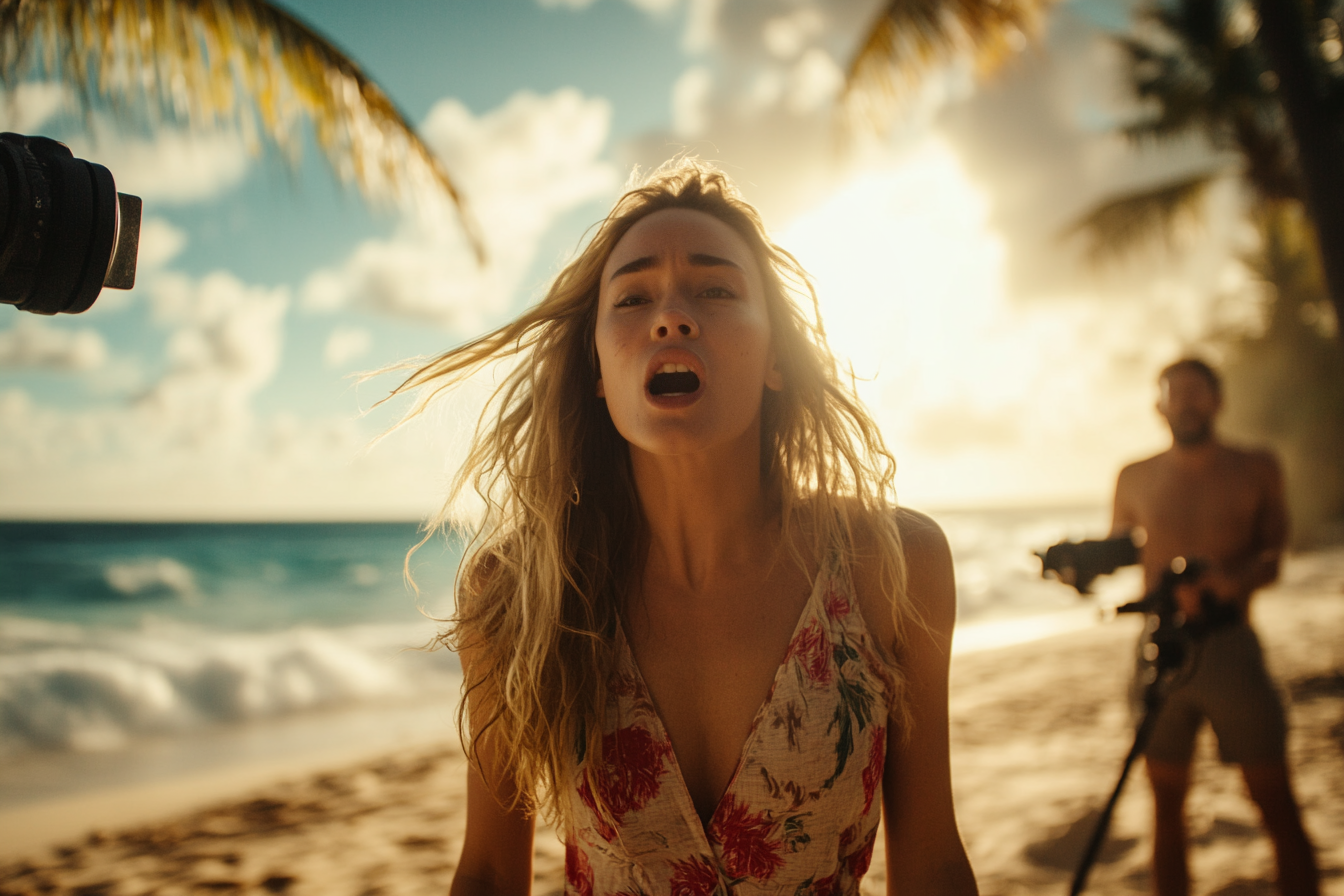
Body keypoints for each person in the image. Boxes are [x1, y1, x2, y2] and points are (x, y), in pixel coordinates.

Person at [391, 159, 977, 895]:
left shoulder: (891, 565)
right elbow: (485, 873)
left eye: (716, 289)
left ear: (774, 357)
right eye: (633, 297)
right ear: (599, 370)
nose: (672, 315)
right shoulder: (517, 590)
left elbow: (931, 863)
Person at [1110, 358, 1319, 896]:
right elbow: (1117, 552)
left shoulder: (1256, 467)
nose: (1186, 403)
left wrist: (1230, 580)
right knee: (1166, 807)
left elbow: (1274, 555)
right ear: (1159, 406)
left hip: (1230, 646)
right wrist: (1077, 567)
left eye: (1197, 392)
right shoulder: (1133, 475)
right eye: (1175, 394)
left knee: (1274, 799)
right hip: (1159, 647)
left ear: (1218, 401)